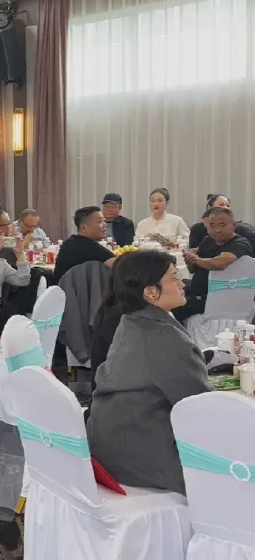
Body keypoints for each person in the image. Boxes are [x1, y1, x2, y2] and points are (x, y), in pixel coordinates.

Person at [87, 250, 211, 495]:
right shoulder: (166, 339)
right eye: (174, 278)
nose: (182, 284)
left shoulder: (130, 322)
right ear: (151, 292)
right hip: (145, 459)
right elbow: (200, 408)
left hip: (109, 450)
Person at [173, 207, 252, 322]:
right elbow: (193, 270)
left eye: (222, 225)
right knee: (167, 296)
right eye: (212, 226)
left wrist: (196, 260)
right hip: (197, 289)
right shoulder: (208, 240)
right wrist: (189, 260)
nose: (217, 230)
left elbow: (220, 263)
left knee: (175, 307)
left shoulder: (239, 243)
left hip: (217, 296)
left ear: (234, 225)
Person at [54, 206, 117, 281]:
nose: (105, 225)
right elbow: (120, 266)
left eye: (104, 221)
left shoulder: (70, 242)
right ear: (83, 227)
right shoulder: (87, 247)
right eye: (100, 222)